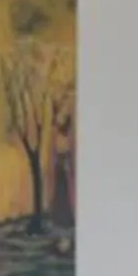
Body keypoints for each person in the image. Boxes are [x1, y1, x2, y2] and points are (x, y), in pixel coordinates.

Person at [49, 91, 77, 253]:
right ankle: (60, 232)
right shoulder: (59, 138)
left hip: (63, 171)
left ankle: (64, 232)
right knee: (60, 199)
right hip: (61, 171)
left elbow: (65, 156)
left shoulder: (64, 139)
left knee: (64, 199)